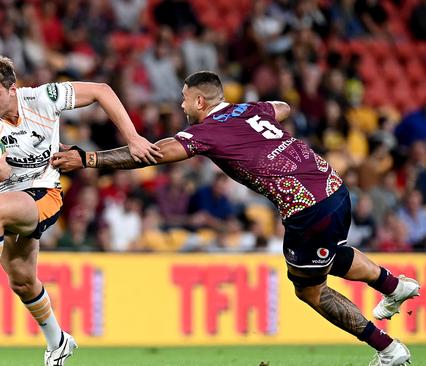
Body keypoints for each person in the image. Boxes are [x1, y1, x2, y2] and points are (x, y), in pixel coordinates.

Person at [52, 71, 420, 366]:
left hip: (307, 208)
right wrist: (255, 112)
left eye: (184, 99)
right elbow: (283, 107)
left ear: (199, 101)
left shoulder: (208, 131)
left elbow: (153, 153)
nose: (181, 106)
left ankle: (388, 349)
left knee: (309, 288)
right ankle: (393, 286)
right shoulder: (249, 111)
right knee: (325, 253)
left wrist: (90, 160)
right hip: (334, 188)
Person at [0, 55, 160, 366]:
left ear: (13, 89)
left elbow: (102, 91)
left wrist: (133, 138)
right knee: (23, 281)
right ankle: (58, 342)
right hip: (10, 197)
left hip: (44, 193)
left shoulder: (42, 98)